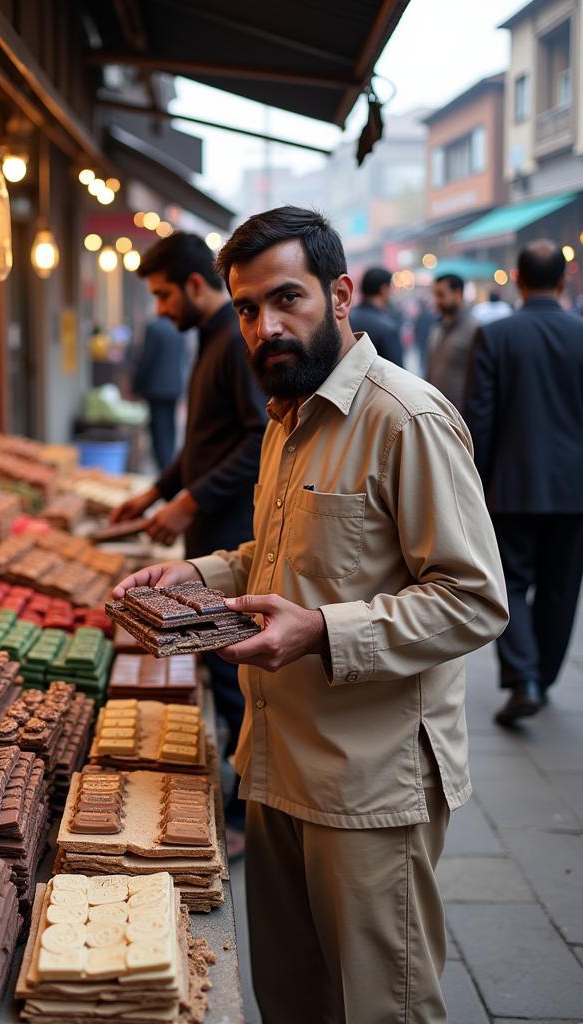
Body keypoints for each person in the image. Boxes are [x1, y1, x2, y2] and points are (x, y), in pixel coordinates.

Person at [113, 206, 508, 1023]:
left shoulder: (408, 420)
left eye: (286, 299)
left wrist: (322, 631)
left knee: (382, 1006)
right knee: (293, 1000)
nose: (266, 326)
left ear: (340, 293)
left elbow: (474, 600)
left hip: (369, 780)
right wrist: (190, 573)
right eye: (248, 309)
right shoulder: (285, 417)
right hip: (275, 764)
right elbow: (276, 553)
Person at [110, 231, 266, 855]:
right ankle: (238, 797)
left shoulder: (234, 343)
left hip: (230, 543)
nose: (160, 309)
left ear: (196, 285)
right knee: (220, 671)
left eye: (164, 294)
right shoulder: (208, 341)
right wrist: (155, 493)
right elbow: (201, 443)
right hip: (206, 538)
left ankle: (245, 812)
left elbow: (254, 442)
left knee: (234, 677)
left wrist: (189, 502)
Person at [465, 241, 583, 726]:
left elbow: (481, 418)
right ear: (563, 281)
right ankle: (543, 676)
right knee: (561, 587)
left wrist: (475, 482)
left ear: (517, 280)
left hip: (512, 487)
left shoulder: (496, 336)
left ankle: (524, 676)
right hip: (574, 489)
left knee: (509, 581)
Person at [130, 317, 188, 471]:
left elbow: (147, 360)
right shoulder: (179, 327)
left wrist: (136, 386)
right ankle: (169, 464)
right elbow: (184, 357)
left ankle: (164, 469)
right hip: (174, 386)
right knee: (170, 428)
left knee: (159, 431)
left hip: (157, 388)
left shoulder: (154, 328)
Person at [425, 272, 477, 413]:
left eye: (441, 295)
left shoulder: (475, 330)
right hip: (435, 412)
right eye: (435, 295)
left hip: (462, 416)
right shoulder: (437, 329)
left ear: (458, 293)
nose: (436, 301)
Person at [348, 265, 404, 365]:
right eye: (391, 288)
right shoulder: (387, 329)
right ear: (384, 289)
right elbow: (398, 374)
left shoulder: (347, 320)